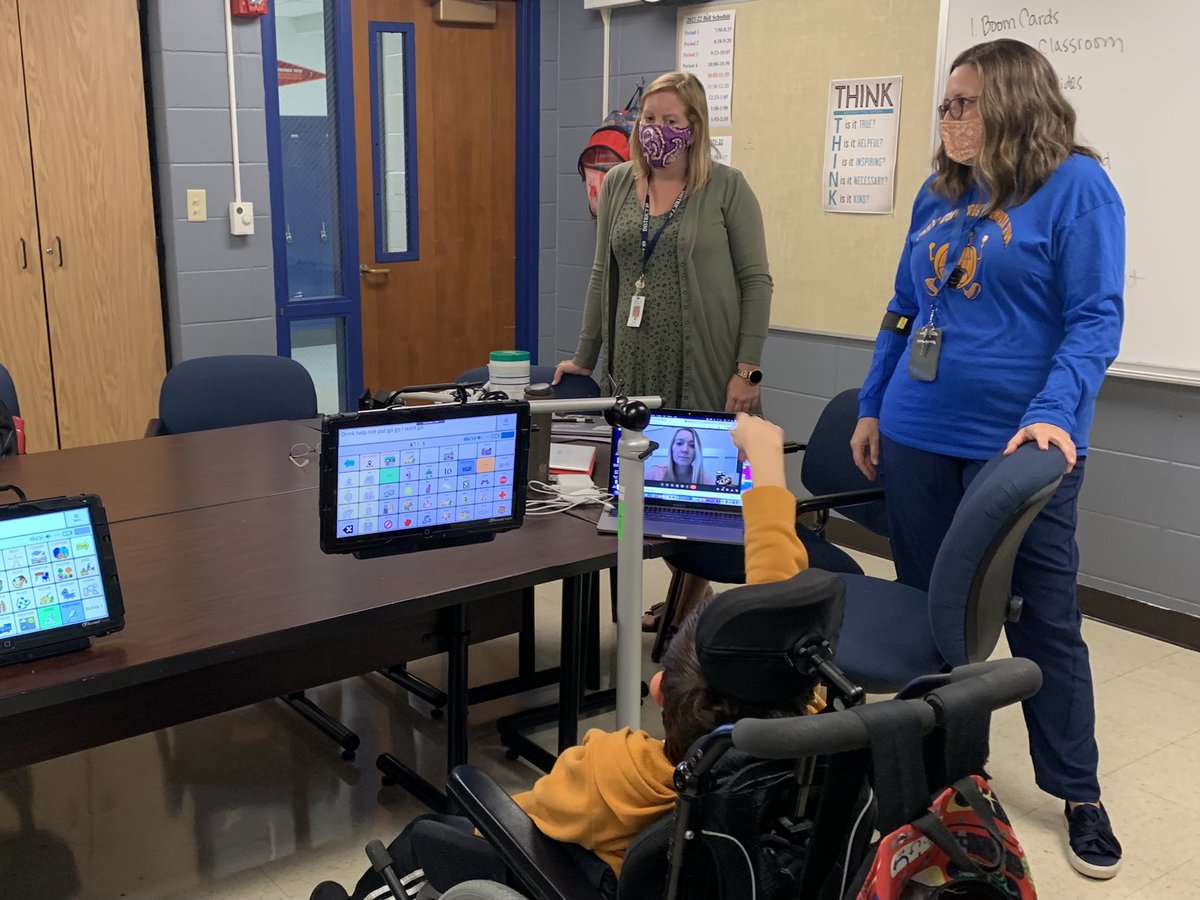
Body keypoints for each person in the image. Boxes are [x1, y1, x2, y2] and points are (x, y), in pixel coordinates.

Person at [311, 415, 816, 900]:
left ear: (658, 690)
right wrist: (769, 472)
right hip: (694, 868)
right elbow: (781, 604)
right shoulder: (808, 734)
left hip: (572, 876)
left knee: (428, 833)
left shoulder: (616, 773)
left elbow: (522, 821)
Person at [849, 39, 1123, 880]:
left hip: (1021, 450)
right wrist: (871, 404)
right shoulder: (941, 193)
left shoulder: (1077, 187)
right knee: (933, 615)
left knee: (1044, 622)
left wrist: (1052, 413)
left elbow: (1095, 318)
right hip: (918, 433)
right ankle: (942, 777)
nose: (949, 119)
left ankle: (1077, 789)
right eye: (946, 104)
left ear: (1012, 103)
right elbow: (904, 308)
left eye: (965, 103)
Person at [646, 427, 713, 485]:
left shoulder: (705, 478)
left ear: (697, 451)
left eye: (692, 445)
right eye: (679, 443)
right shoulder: (655, 472)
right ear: (671, 447)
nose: (685, 450)